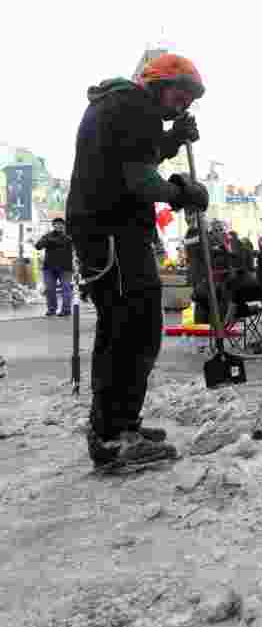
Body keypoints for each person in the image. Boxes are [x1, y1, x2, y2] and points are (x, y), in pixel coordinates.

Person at [65, 52, 209, 470]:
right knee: (134, 328)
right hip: (115, 231)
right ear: (159, 85)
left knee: (121, 327)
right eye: (181, 97)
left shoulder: (119, 105)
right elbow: (139, 181)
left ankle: (116, 424)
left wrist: (171, 139)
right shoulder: (136, 107)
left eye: (188, 102)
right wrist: (184, 193)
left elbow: (129, 159)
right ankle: (114, 438)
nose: (182, 106)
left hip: (100, 229)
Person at [35, 217, 74, 317]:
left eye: (60, 224)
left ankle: (66, 310)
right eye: (56, 224)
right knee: (49, 289)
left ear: (63, 225)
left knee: (66, 289)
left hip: (65, 268)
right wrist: (46, 240)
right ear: (53, 225)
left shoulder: (69, 236)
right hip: (49, 268)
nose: (58, 225)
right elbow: (38, 246)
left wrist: (51, 241)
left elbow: (70, 243)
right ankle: (51, 309)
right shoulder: (48, 236)